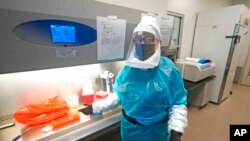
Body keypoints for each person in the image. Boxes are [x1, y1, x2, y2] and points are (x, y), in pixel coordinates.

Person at [81, 15, 188, 141]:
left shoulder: (168, 70)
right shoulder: (127, 70)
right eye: (139, 38)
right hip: (130, 131)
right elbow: (118, 96)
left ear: (158, 41)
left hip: (157, 132)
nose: (143, 43)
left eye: (148, 38)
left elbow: (178, 103)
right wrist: (95, 107)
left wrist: (176, 130)